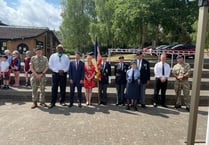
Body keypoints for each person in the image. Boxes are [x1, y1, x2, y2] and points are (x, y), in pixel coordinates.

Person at [48, 44, 70, 109]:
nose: (60, 49)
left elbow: (68, 66)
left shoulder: (66, 56)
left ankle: (62, 101)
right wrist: (57, 71)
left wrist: (63, 70)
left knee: (63, 88)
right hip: (55, 74)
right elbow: (50, 65)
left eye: (61, 48)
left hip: (63, 74)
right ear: (56, 49)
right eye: (58, 48)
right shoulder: (52, 56)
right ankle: (53, 102)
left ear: (63, 49)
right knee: (54, 88)